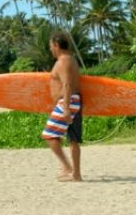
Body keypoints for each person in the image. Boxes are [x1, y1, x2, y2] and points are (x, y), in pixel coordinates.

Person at [41, 31, 83, 182]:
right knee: (73, 139)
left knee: (49, 135)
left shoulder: (63, 61)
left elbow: (66, 84)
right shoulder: (70, 59)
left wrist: (65, 108)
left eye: (51, 46)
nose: (50, 49)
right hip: (73, 101)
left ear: (57, 45)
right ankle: (76, 175)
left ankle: (67, 167)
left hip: (68, 102)